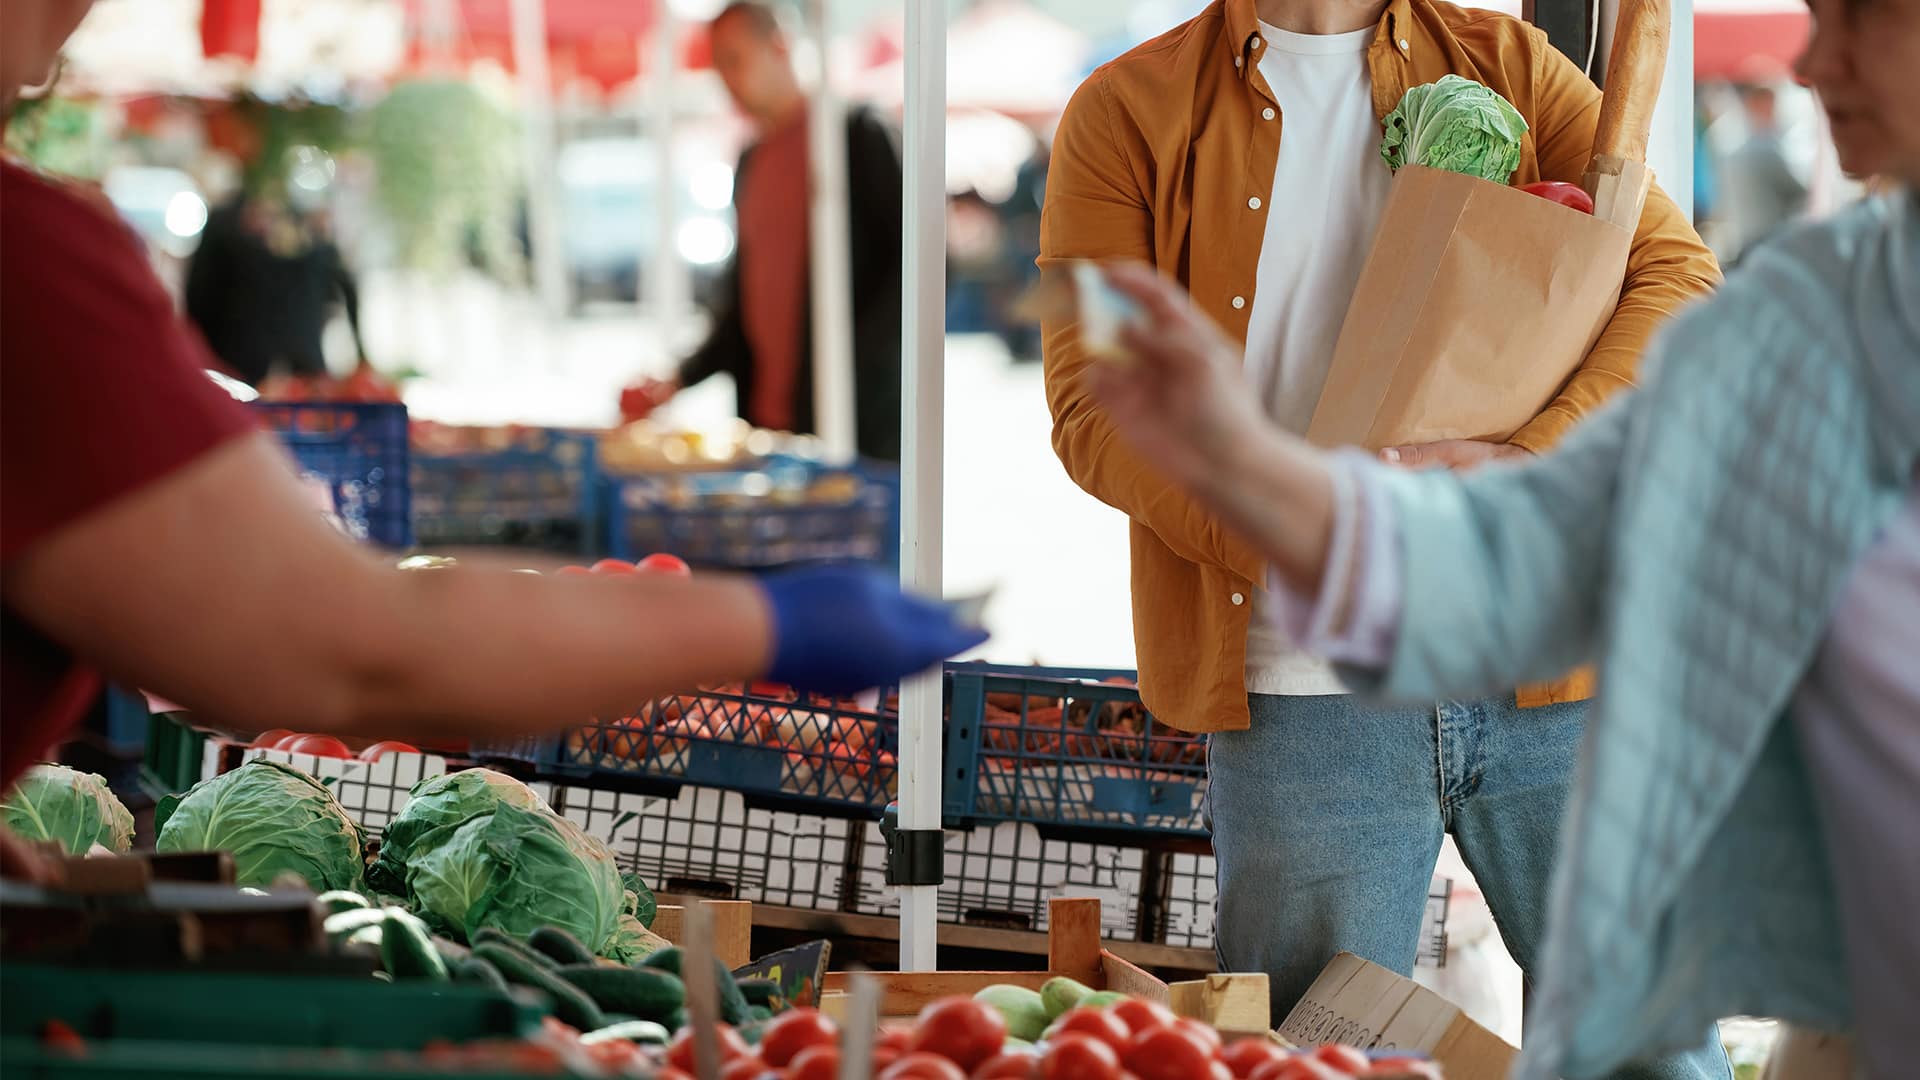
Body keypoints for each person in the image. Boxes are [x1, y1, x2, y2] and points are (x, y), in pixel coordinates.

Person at [1076, 0, 1919, 1070]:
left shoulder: (1507, 63)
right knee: (1306, 1058)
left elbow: (1672, 272)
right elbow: (1094, 408)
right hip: (1302, 693)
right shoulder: (1125, 115)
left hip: (1552, 687)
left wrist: (1527, 461)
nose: (1815, 59)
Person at [0, 0, 981, 879]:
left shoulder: (854, 140)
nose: (64, 41)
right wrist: (765, 626)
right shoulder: (31, 262)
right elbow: (345, 648)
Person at [622, 0, 903, 462]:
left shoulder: (856, 136)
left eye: (735, 60)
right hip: (767, 429)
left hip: (852, 431)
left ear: (779, 46)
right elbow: (741, 304)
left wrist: (852, 368)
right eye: (718, 67)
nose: (726, 80)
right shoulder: (751, 162)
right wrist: (679, 376)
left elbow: (919, 272)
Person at [185, 181, 366, 388]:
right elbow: (345, 286)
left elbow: (196, 298)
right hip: (291, 369)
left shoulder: (225, 222)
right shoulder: (311, 224)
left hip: (237, 370)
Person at [1722, 83, 1809, 262]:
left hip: (1743, 241)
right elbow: (1798, 192)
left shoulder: (1734, 149)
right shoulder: (1766, 148)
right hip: (1768, 241)